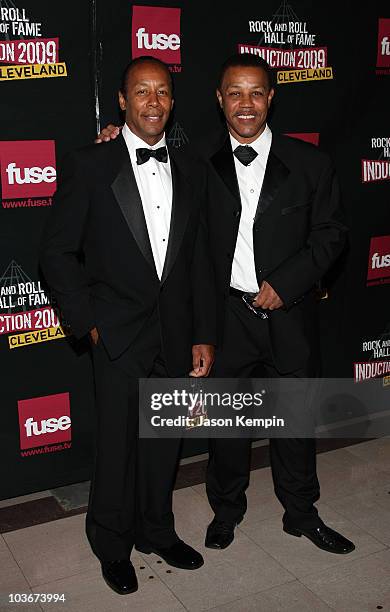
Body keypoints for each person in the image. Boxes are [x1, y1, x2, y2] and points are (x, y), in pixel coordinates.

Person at [96, 53, 355, 556]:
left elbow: (331, 234)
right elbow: (134, 163)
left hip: (289, 311)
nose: (246, 104)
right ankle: (226, 511)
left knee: (294, 420)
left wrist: (288, 282)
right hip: (225, 315)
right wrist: (113, 138)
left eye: (256, 92)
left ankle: (301, 513)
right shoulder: (195, 166)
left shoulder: (310, 162)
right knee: (229, 429)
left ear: (271, 97)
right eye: (235, 93)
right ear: (219, 100)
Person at [39, 55, 216, 596]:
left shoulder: (191, 168)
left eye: (162, 92)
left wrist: (204, 333)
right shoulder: (90, 165)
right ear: (122, 100)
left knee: (164, 442)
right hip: (115, 334)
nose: (153, 102)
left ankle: (156, 531)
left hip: (176, 332)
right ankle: (111, 544)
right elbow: (56, 253)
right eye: (141, 92)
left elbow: (202, 260)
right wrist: (87, 323)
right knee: (117, 447)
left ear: (173, 100)